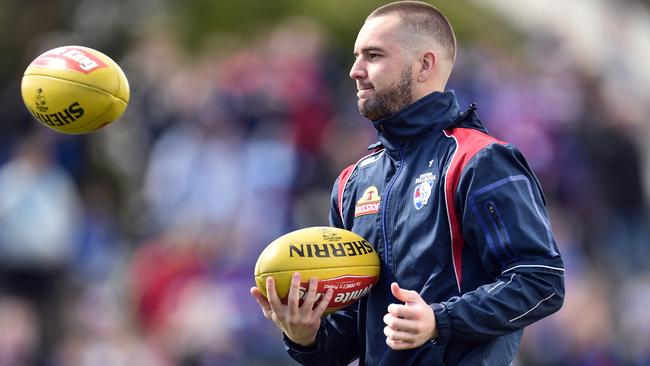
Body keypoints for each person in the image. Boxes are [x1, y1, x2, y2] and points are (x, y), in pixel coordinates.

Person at [250, 1, 565, 365]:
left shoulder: (479, 160)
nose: (355, 70)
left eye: (373, 55)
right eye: (356, 56)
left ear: (424, 65)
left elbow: (541, 281)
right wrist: (306, 336)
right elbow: (353, 331)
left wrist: (440, 320)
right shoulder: (354, 181)